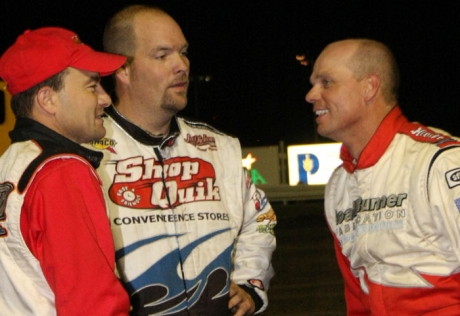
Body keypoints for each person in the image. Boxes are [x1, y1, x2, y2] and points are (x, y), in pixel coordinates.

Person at [87, 4, 276, 315]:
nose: (182, 66)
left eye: (183, 53)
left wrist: (250, 282)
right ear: (122, 70)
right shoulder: (86, 152)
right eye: (162, 56)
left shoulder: (218, 147)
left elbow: (261, 220)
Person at [306, 38, 460, 315]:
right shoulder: (339, 186)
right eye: (313, 83)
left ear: (369, 88)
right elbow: (358, 300)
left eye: (326, 82)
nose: (311, 95)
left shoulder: (440, 163)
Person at [0, 27, 130, 315]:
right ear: (48, 100)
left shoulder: (9, 164)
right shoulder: (62, 171)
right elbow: (93, 305)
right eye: (91, 85)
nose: (106, 98)